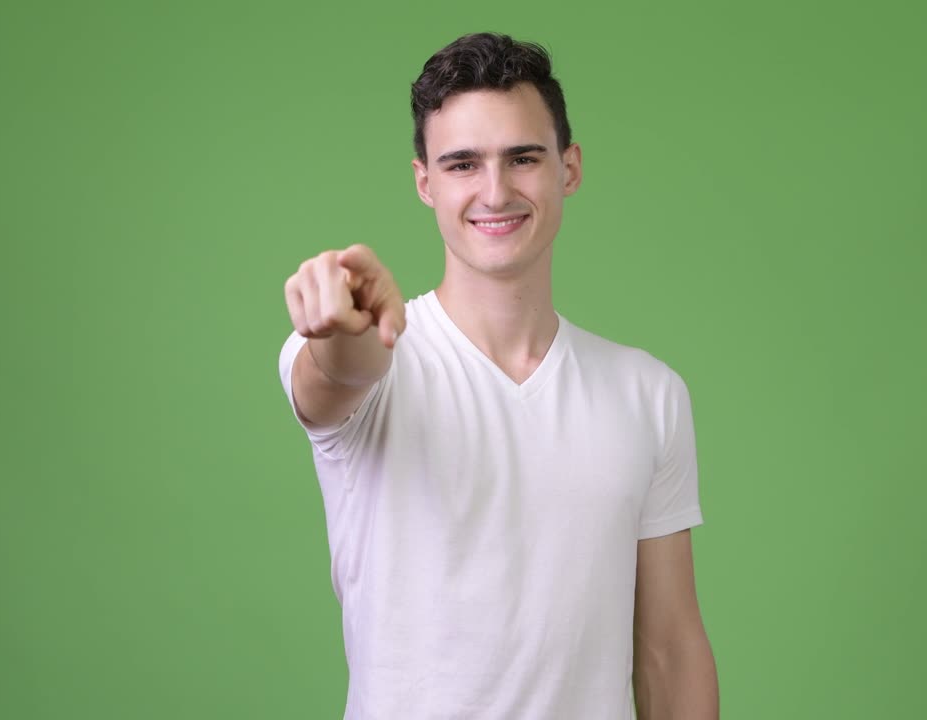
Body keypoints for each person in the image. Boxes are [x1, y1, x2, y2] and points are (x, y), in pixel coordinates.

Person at [277, 32, 718, 719]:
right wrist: (345, 328)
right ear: (425, 182)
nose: (495, 190)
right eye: (462, 164)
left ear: (568, 168)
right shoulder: (379, 361)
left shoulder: (648, 393)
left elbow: (668, 646)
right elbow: (339, 376)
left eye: (523, 158)